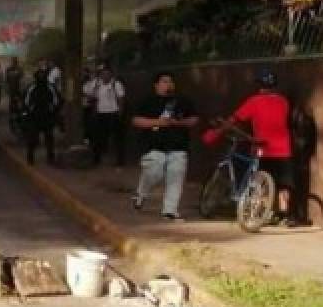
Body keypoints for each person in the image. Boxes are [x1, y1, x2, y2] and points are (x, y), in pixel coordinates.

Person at [209, 69, 295, 226]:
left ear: (259, 86)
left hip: (262, 147)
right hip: (284, 148)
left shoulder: (254, 101)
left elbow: (234, 119)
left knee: (258, 181)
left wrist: (217, 131)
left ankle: (260, 212)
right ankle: (284, 215)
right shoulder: (283, 101)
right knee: (284, 184)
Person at [132, 72, 199, 221]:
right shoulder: (147, 101)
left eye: (170, 81)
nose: (168, 84)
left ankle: (170, 210)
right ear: (156, 84)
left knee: (176, 176)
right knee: (154, 172)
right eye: (164, 81)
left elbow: (194, 119)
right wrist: (157, 122)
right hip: (154, 145)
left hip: (178, 146)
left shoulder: (182, 100)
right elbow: (136, 120)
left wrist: (179, 123)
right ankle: (142, 193)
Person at [83, 65, 127, 166]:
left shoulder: (116, 84)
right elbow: (90, 96)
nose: (105, 76)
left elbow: (121, 99)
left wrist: (120, 113)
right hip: (100, 114)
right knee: (98, 137)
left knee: (118, 138)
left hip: (113, 113)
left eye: (107, 73)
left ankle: (120, 160)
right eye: (103, 74)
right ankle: (96, 159)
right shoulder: (97, 84)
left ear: (111, 74)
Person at [23, 69, 61, 165]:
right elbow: (26, 101)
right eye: (39, 75)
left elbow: (57, 100)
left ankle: (50, 157)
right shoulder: (32, 87)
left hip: (47, 116)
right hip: (34, 116)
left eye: (43, 75)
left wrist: (52, 110)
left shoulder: (50, 87)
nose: (41, 76)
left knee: (49, 138)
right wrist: (30, 110)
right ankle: (30, 157)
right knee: (32, 138)